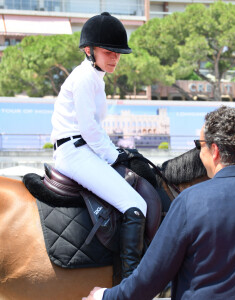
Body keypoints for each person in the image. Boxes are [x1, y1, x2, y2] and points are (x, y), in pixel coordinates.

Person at [83, 106, 235, 300]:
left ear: (214, 151)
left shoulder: (190, 203)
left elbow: (150, 280)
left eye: (200, 145)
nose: (200, 152)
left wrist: (105, 296)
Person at [50, 12, 147, 279]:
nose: (115, 58)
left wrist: (115, 151)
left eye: (118, 54)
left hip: (82, 149)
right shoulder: (83, 78)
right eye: (109, 52)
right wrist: (114, 155)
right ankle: (131, 283)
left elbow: (94, 129)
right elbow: (88, 128)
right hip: (75, 151)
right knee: (135, 205)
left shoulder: (95, 77)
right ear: (89, 50)